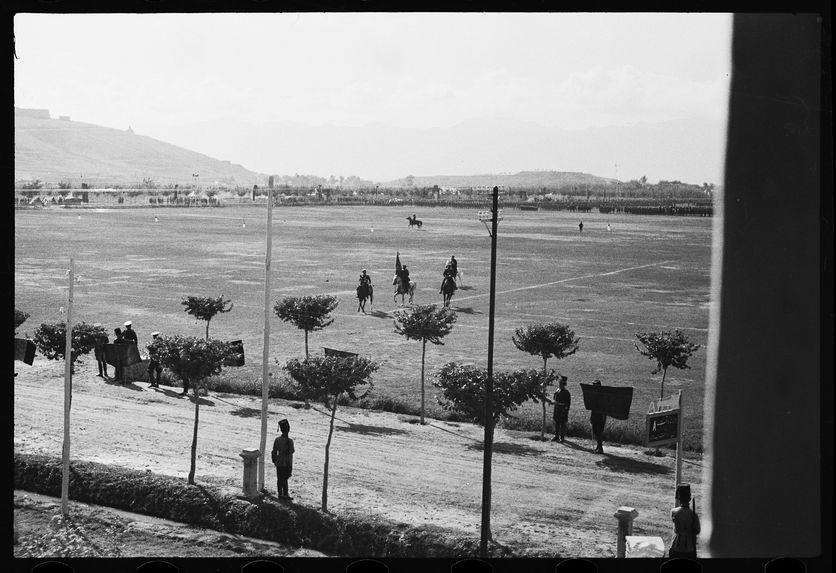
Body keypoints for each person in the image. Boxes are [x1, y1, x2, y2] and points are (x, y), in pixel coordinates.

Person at [669, 483, 701, 559]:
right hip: (689, 548)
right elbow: (697, 530)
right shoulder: (693, 514)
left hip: (676, 546)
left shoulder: (673, 511)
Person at [271, 418, 295, 500]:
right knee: (285, 478)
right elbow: (291, 452)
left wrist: (274, 460)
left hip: (279, 462)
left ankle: (280, 493)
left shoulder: (277, 440)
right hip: (287, 463)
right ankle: (285, 494)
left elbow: (274, 451)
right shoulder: (290, 441)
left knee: (279, 478)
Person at [552, 375, 571, 442]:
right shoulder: (557, 391)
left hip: (562, 410)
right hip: (557, 409)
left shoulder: (566, 393)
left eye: (561, 384)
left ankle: (562, 437)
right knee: (556, 423)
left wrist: (565, 410)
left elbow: (567, 403)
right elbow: (554, 398)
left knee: (562, 424)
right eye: (559, 383)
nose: (559, 385)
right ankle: (556, 435)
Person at [590, 379, 607, 453]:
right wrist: (591, 416)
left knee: (599, 432)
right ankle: (598, 447)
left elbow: (604, 408)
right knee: (596, 432)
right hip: (595, 415)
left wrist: (603, 418)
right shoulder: (594, 395)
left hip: (600, 417)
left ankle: (600, 448)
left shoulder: (602, 395)